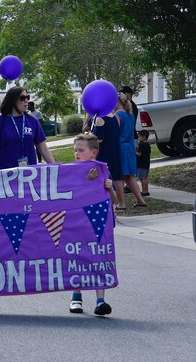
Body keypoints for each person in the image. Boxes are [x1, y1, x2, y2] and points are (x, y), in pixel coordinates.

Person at [68, 132, 117, 316]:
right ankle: (76, 297)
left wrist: (109, 187)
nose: (76, 153)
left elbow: (113, 200)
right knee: (77, 258)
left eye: (81, 150)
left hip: (97, 224)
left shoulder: (102, 171)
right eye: (75, 150)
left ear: (94, 152)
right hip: (76, 224)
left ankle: (100, 301)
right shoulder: (70, 171)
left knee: (98, 258)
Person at [0, 87, 54, 170]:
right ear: (12, 100)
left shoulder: (33, 121)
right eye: (22, 98)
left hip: (29, 174)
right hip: (5, 173)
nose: (26, 100)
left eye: (27, 97)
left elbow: (43, 149)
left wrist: (55, 168)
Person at [116, 93, 147, 208]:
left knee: (120, 176)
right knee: (129, 176)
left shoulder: (118, 115)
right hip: (130, 147)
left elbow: (116, 132)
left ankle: (121, 203)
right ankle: (140, 200)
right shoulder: (130, 114)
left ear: (117, 102)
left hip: (121, 147)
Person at [136, 130, 151, 196]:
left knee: (142, 178)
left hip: (141, 164)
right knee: (145, 178)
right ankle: (146, 190)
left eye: (139, 137)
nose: (138, 139)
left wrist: (135, 152)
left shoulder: (141, 145)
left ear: (144, 137)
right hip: (146, 164)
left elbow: (139, 154)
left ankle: (144, 191)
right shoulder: (148, 145)